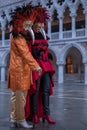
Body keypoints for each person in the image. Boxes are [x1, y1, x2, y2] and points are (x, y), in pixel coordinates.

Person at [8, 5, 42, 128]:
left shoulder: (17, 36)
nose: (28, 29)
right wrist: (36, 66)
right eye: (26, 26)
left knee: (15, 96)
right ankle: (20, 119)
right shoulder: (19, 39)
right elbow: (26, 54)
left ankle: (13, 118)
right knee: (21, 97)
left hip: (16, 70)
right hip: (20, 72)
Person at [25, 6, 56, 124]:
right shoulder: (29, 36)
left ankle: (46, 114)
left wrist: (47, 55)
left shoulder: (43, 35)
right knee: (35, 90)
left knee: (46, 89)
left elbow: (46, 48)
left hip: (46, 65)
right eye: (37, 23)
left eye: (41, 23)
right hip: (35, 66)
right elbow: (27, 51)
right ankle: (35, 115)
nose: (39, 25)